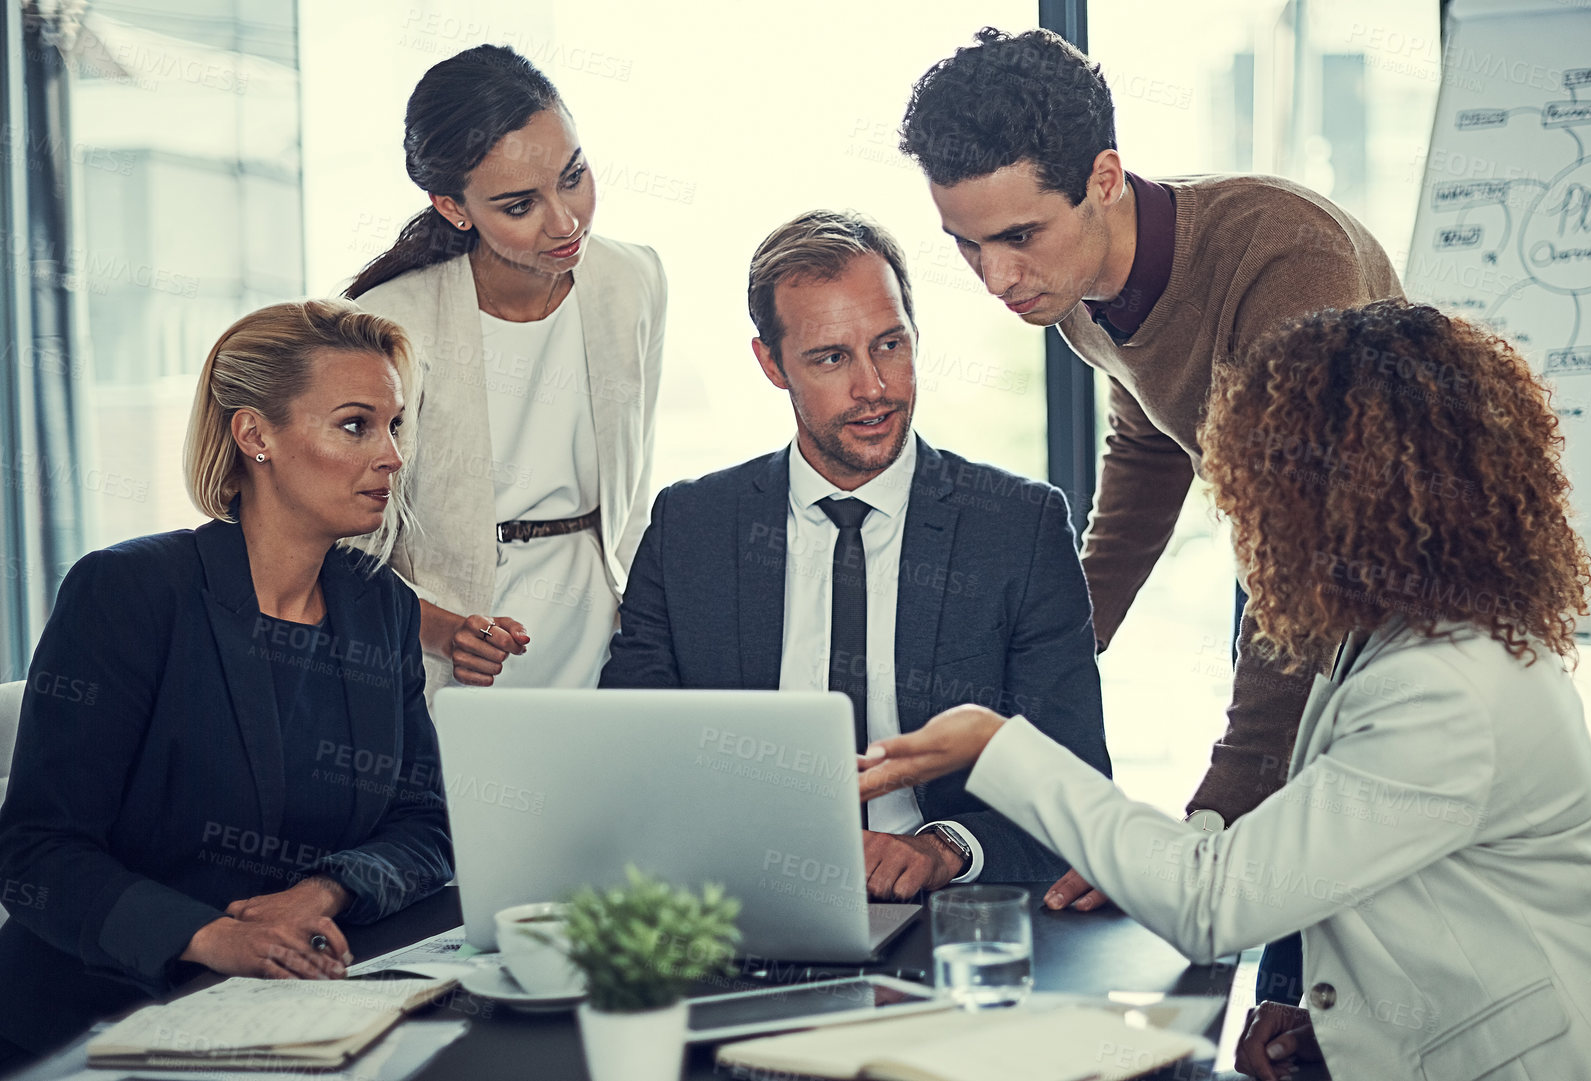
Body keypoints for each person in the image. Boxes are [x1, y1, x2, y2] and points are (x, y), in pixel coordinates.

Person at [859, 300, 1591, 1080]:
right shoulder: (1408, 637)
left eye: (1264, 489)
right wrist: (1334, 1023)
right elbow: (1363, 872)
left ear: (1344, 498)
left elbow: (1215, 901)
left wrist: (995, 743)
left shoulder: (1442, 690)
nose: (1247, 518)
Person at [899, 28, 1403, 1003]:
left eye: (1018, 237)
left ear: (1104, 177)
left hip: (1390, 616)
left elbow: (1302, 578)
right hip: (1287, 580)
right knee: (1273, 957)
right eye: (966, 245)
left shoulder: (1285, 262)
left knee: (1323, 943)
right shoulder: (1084, 286)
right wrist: (1054, 656)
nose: (996, 279)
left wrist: (1202, 828)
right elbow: (1148, 447)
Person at [600, 210, 1110, 898]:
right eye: (832, 357)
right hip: (733, 903)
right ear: (772, 363)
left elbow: (1077, 789)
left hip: (939, 917)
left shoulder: (1018, 529)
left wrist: (944, 849)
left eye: (890, 344)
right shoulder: (692, 526)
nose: (874, 386)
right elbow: (630, 763)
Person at [0, 301, 453, 1065]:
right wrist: (214, 936)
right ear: (255, 436)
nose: (391, 456)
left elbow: (425, 821)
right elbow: (37, 852)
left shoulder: (379, 602)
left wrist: (324, 891)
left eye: (393, 425)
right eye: (355, 425)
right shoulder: (127, 593)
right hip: (97, 1016)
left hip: (299, 1007)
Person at [347, 45, 667, 698]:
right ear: (454, 207)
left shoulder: (633, 282)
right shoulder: (389, 324)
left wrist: (642, 636)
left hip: (600, 641)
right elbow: (347, 546)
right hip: (447, 659)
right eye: (520, 205)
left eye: (574, 175)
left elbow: (632, 501)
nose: (566, 219)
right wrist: (437, 628)